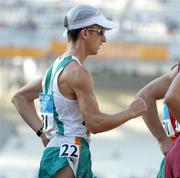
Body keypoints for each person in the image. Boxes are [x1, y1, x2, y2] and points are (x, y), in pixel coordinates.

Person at [12, 4, 147, 178]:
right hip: (70, 154)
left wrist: (43, 133)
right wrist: (131, 112)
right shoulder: (77, 73)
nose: (104, 39)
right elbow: (96, 124)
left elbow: (19, 98)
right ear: (84, 33)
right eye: (100, 32)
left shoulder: (54, 70)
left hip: (57, 153)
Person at [137, 62, 180, 178]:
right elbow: (170, 98)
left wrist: (162, 140)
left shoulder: (174, 74)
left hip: (171, 154)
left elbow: (144, 96)